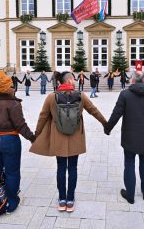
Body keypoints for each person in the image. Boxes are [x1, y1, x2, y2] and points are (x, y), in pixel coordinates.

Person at [30, 72, 107, 212]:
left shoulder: (52, 97)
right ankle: (70, 200)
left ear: (60, 83)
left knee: (60, 168)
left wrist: (36, 133)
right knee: (73, 168)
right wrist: (105, 124)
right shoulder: (81, 95)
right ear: (71, 80)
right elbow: (93, 111)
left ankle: (62, 200)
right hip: (75, 138)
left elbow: (42, 117)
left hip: (58, 138)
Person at [104, 71, 144, 204]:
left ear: (132, 80)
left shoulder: (125, 94)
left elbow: (116, 113)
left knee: (129, 164)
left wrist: (108, 128)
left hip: (129, 137)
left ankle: (130, 195)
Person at [0, 70, 36, 215]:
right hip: (10, 140)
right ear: (6, 87)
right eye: (12, 86)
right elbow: (20, 125)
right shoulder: (13, 104)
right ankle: (10, 203)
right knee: (12, 172)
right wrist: (32, 138)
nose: (14, 88)